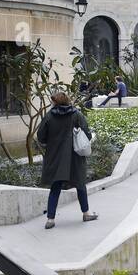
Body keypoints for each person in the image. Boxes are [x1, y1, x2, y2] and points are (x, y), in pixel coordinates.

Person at [37, 89, 98, 229]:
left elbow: (41, 137)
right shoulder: (76, 114)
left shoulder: (49, 116)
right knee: (80, 184)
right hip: (74, 156)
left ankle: (50, 219)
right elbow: (87, 134)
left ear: (55, 102)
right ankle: (86, 213)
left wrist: (52, 142)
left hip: (55, 156)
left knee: (55, 186)